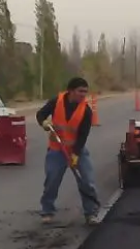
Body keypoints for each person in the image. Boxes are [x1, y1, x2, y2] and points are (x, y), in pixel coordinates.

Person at [37, 77, 102, 226]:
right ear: (71, 91)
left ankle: (90, 213)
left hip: (76, 149)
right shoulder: (56, 102)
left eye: (85, 92)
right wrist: (44, 122)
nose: (83, 95)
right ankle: (47, 211)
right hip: (56, 150)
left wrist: (76, 154)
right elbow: (40, 114)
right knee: (51, 180)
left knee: (86, 180)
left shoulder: (86, 110)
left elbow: (83, 136)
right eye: (80, 91)